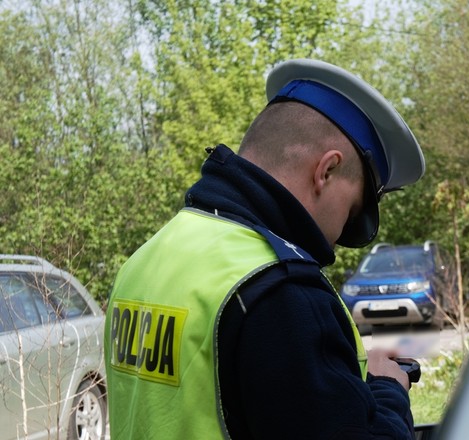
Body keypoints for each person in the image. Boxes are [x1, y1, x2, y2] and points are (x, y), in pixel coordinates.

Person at [103, 59, 426, 439]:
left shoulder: (147, 259)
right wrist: (388, 390)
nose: (340, 236)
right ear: (326, 171)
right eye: (353, 212)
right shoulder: (281, 293)